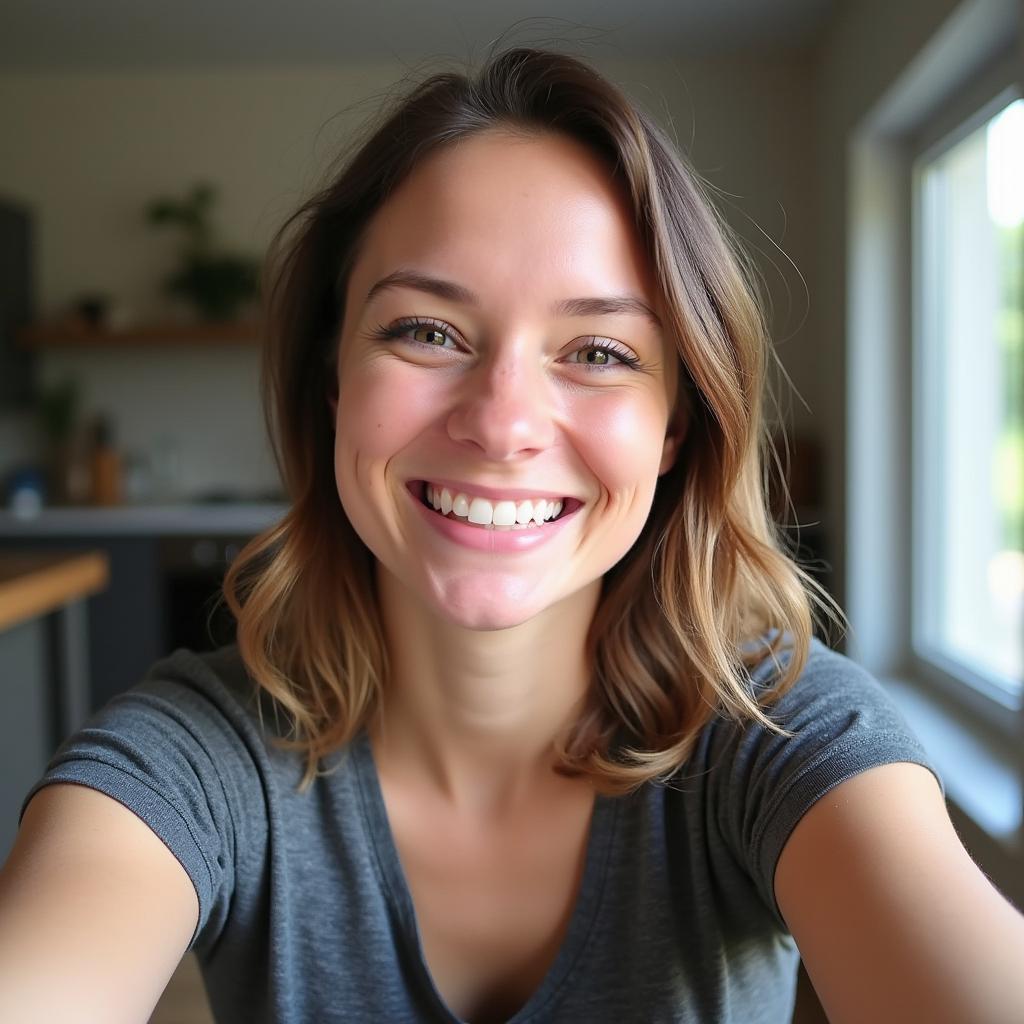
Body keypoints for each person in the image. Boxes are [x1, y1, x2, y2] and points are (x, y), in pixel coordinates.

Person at [1, 46, 1022, 1024]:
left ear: (673, 424)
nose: (500, 424)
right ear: (331, 382)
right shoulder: (193, 755)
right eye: (426, 331)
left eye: (596, 349)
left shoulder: (785, 738)